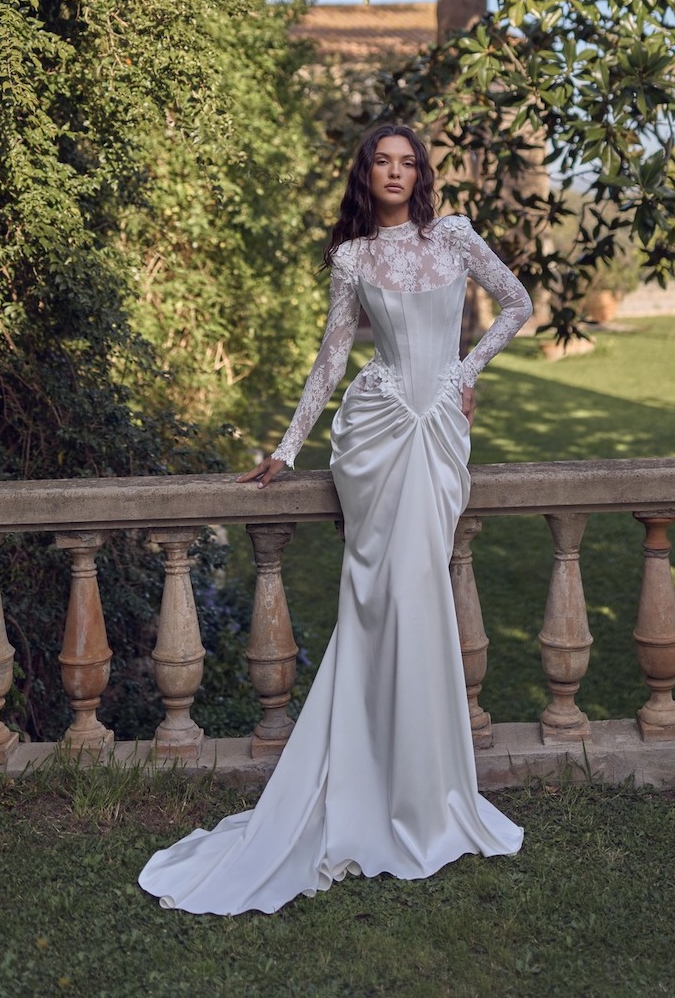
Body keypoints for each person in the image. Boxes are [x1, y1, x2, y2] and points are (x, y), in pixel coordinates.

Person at [139, 124, 532, 914]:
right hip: (379, 433)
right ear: (366, 173)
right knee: (376, 605)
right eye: (382, 161)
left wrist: (464, 371)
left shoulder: (454, 235)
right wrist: (285, 449)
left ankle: (429, 795)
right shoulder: (352, 257)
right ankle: (370, 781)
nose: (395, 172)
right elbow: (331, 358)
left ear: (421, 172)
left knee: (421, 595)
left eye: (407, 161)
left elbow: (517, 304)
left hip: (439, 433)